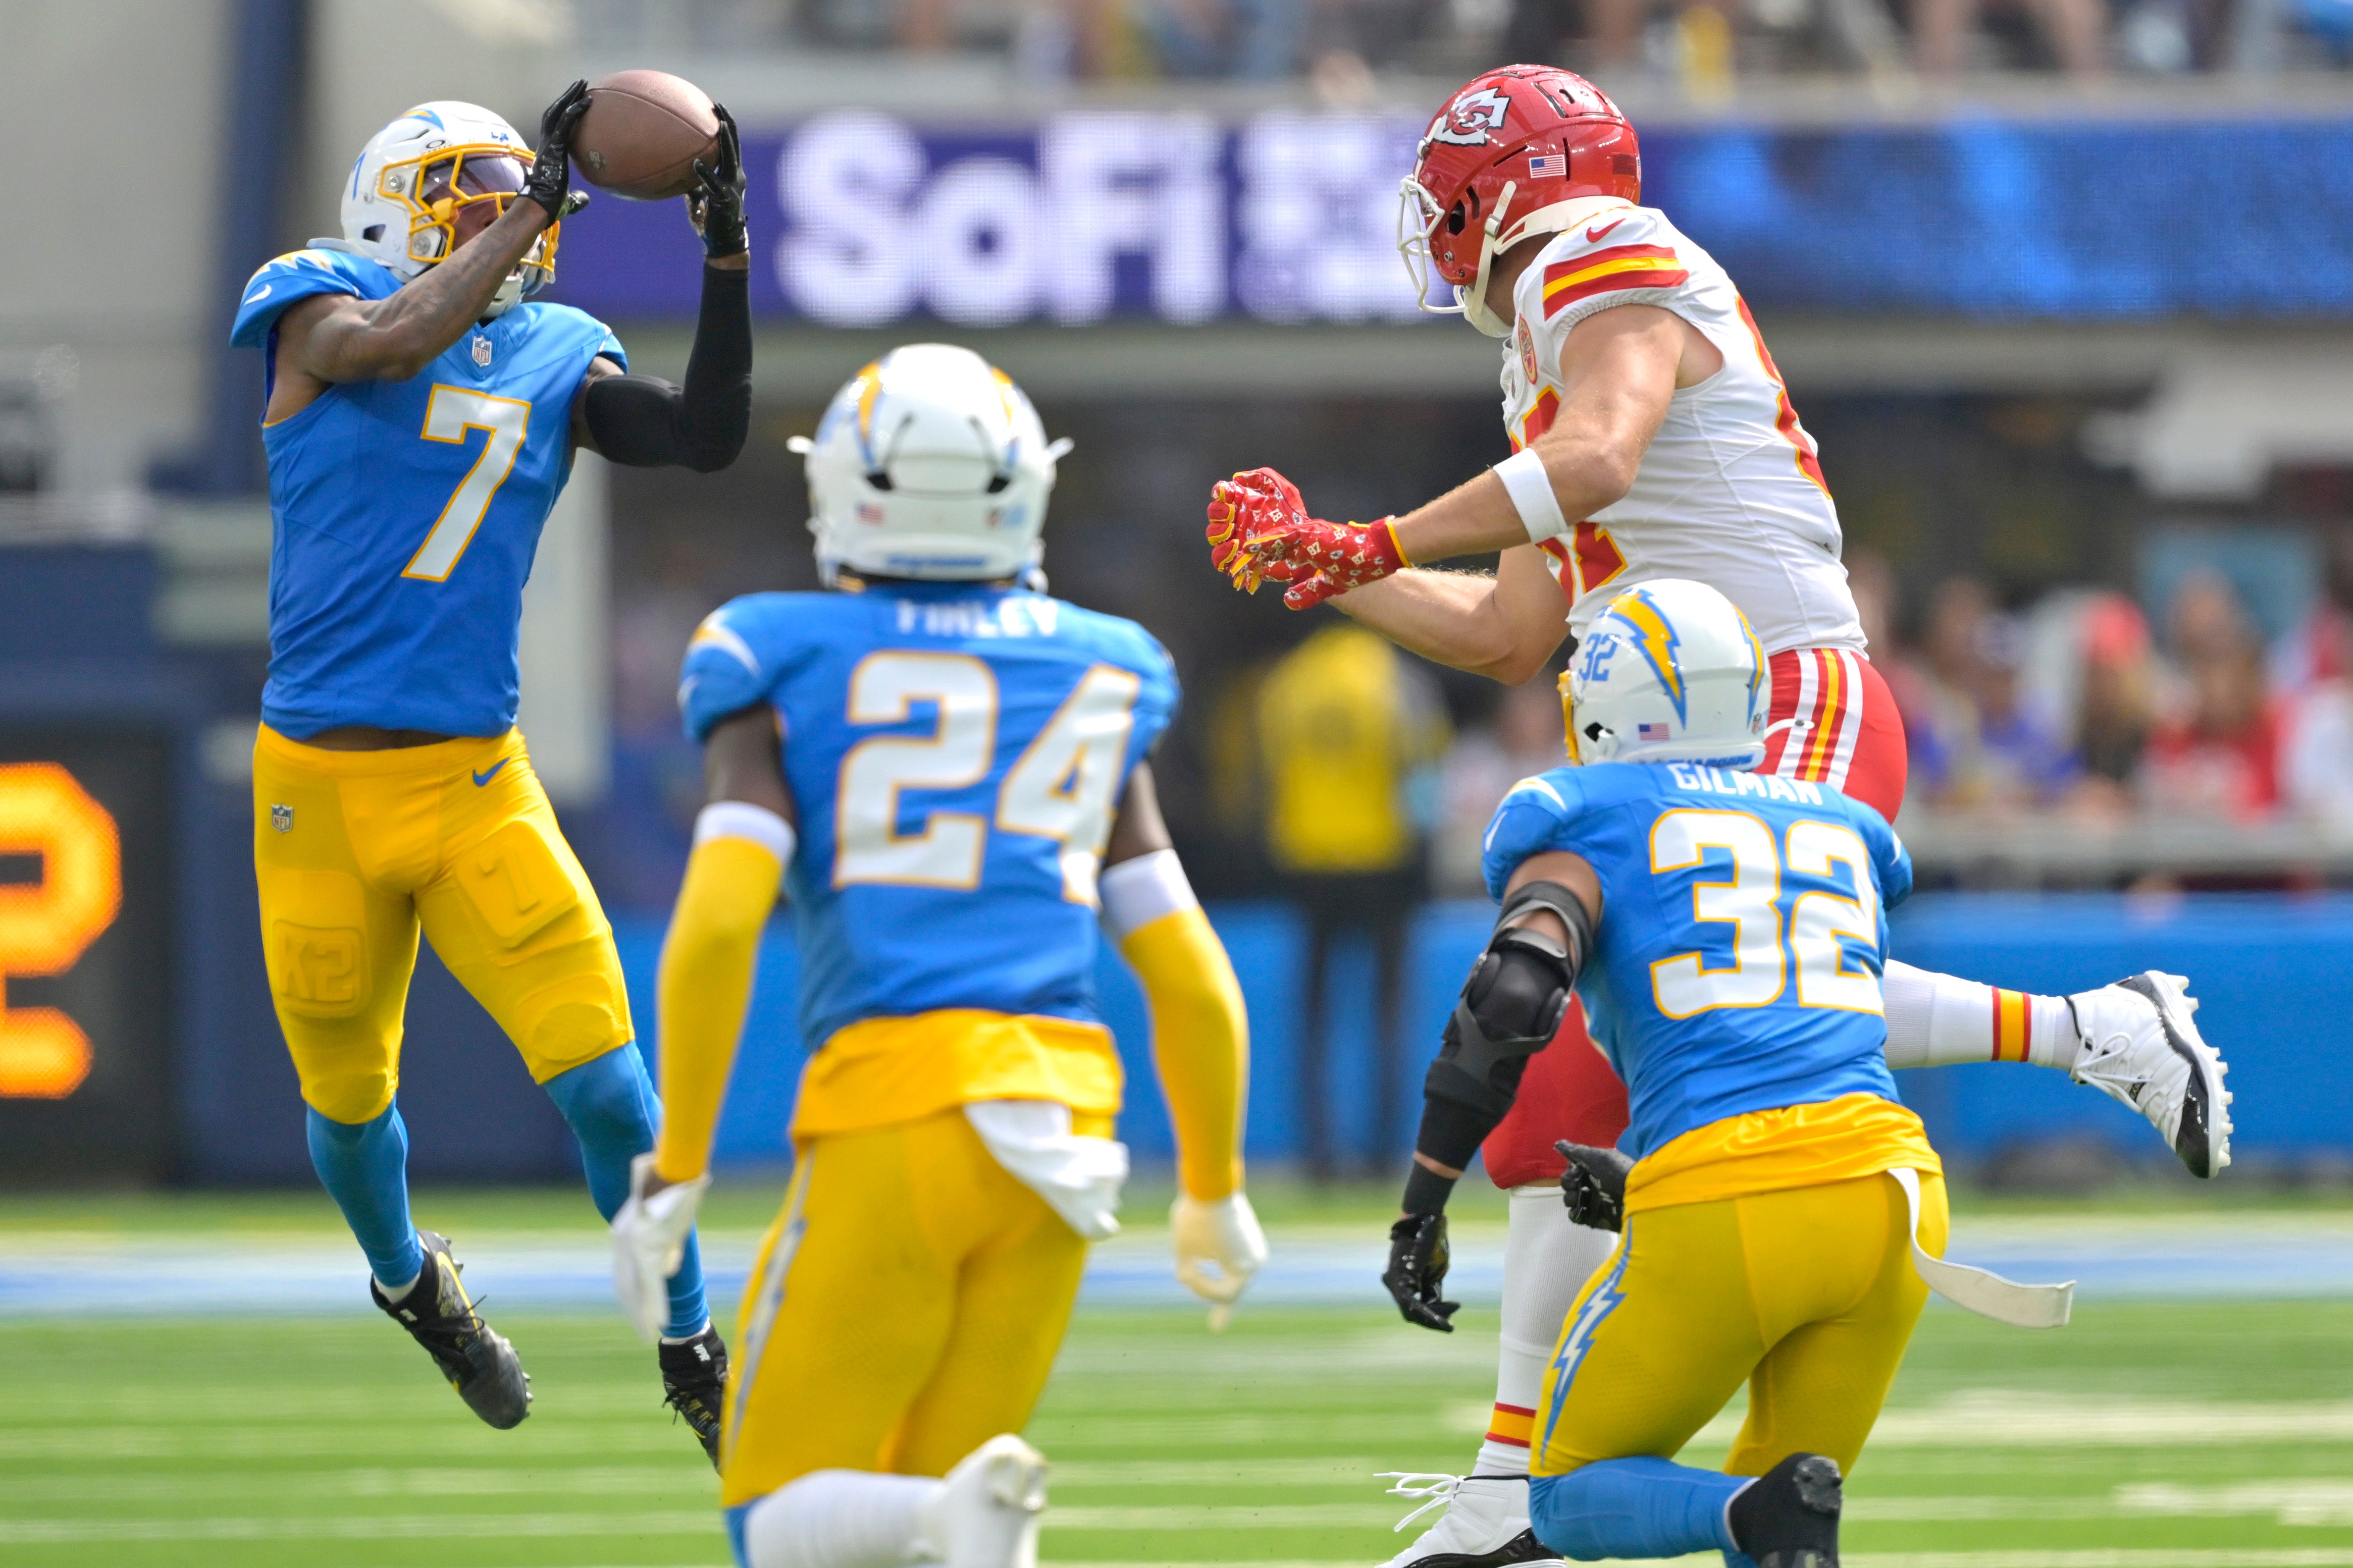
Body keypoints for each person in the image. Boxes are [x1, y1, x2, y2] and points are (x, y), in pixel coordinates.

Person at [1205, 64, 2232, 1567]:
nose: (1437, 240)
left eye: (1447, 206)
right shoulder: (1548, 337)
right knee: (1567, 1092)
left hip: (1778, 695)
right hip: (1688, 719)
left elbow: (1599, 457)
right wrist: (1334, 567)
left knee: (1747, 995)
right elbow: (1507, 629)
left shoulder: (1600, 253)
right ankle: (1507, 1491)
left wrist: (1371, 527)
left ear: (1507, 189)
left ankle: (2095, 1027)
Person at [610, 345, 1265, 1568]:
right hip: (1067, 1126)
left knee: (787, 1513)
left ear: (843, 489)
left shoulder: (774, 650)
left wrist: (678, 1166)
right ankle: (946, 1518)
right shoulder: (1100, 664)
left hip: (900, 1107)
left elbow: (711, 925)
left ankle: (935, 1517)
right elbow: (1184, 969)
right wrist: (1214, 1184)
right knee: (947, 1506)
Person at [1413, 579, 2182, 1564]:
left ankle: (1713, 1512)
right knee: (1785, 1524)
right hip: (1893, 1196)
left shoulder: (1583, 812)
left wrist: (1427, 1191)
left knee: (1557, 1498)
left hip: (1734, 1193)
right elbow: (1796, 1014)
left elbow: (1543, 1000)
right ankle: (2088, 1026)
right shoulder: (1833, 823)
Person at [230, 85, 752, 1456]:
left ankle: (692, 1339)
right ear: (389, 206)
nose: (501, 216)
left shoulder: (554, 347)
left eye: (510, 190)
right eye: (465, 190)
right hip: (318, 796)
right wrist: (539, 197)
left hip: (472, 783)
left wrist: (723, 252)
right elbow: (391, 338)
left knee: (613, 1092)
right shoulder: (312, 298)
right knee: (348, 1112)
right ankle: (412, 1282)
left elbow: (703, 435)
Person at [1256, 623, 1450, 1177]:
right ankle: (1383, 1154)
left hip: (1308, 863)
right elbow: (1422, 772)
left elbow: (1263, 776)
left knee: (1313, 1018)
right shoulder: (1396, 677)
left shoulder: (1287, 682)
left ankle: (1317, 1154)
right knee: (1388, 1013)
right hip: (1384, 862)